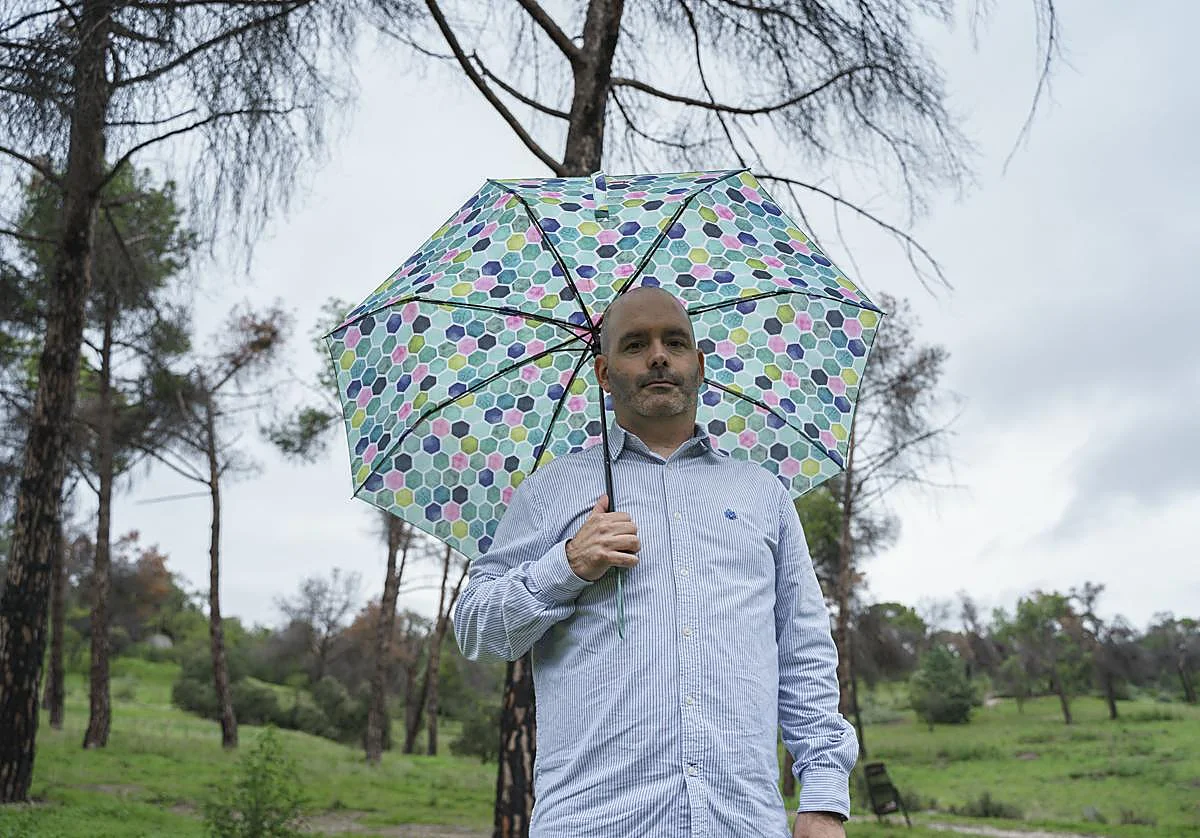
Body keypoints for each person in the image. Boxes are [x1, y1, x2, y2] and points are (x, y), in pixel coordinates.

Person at [454, 286, 858, 837]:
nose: (659, 356)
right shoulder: (550, 491)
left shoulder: (763, 494)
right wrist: (568, 565)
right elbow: (477, 630)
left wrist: (824, 799)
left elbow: (804, 652)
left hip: (742, 822)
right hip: (594, 825)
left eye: (675, 341)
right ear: (604, 373)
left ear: (700, 365)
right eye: (635, 345)